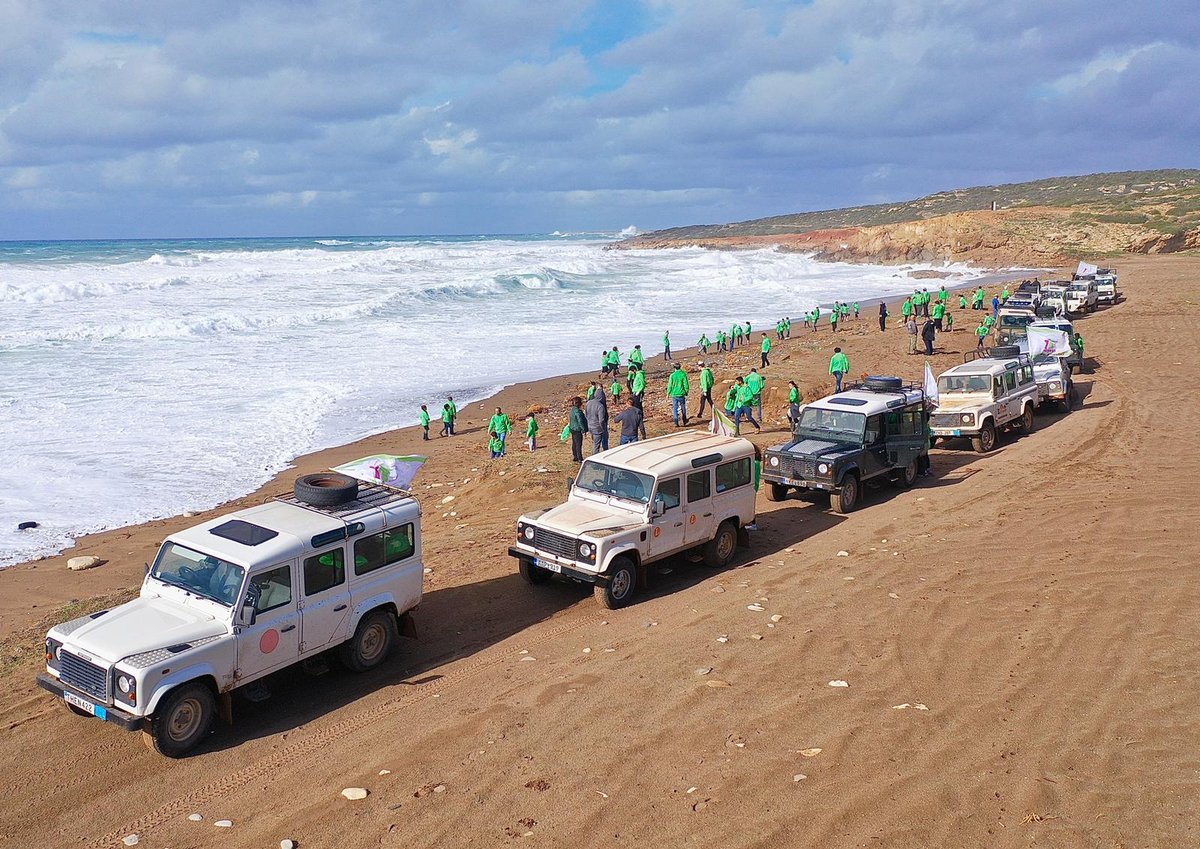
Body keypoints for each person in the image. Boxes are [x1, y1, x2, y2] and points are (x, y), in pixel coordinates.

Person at [586, 386, 609, 454]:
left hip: (590, 426)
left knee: (595, 443)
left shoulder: (588, 403)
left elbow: (586, 414)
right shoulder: (600, 406)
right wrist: (602, 428)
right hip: (598, 428)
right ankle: (597, 457)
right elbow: (601, 420)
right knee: (597, 445)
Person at [568, 397, 588, 462]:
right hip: (577, 429)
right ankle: (580, 458)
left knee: (574, 443)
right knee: (578, 444)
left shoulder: (572, 410)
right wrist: (584, 429)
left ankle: (575, 456)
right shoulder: (578, 412)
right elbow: (580, 421)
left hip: (572, 428)